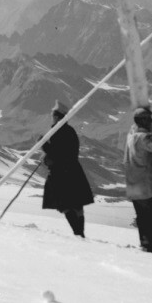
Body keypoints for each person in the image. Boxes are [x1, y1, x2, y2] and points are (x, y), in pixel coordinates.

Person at [41, 101, 95, 237]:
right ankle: (80, 232)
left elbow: (56, 153)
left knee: (64, 204)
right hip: (73, 171)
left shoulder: (57, 132)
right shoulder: (70, 131)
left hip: (60, 174)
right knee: (76, 204)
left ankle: (78, 233)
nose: (51, 117)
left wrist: (43, 145)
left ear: (57, 117)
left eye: (53, 115)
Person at [123, 106, 152, 253]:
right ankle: (151, 246)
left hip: (134, 184)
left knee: (142, 216)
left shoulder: (131, 136)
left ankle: (145, 244)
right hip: (145, 185)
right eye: (149, 119)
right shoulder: (143, 138)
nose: (151, 122)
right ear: (143, 121)